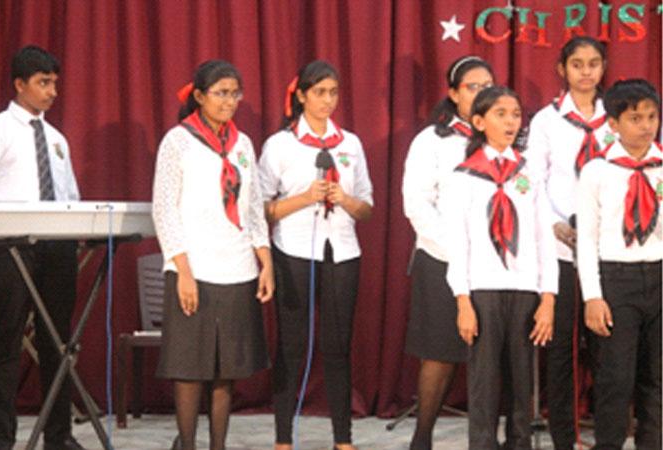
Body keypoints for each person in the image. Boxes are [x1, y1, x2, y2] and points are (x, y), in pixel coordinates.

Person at [0, 45, 84, 450]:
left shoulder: (57, 139)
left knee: (57, 343)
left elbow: (70, 196)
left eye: (55, 84)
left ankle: (59, 436)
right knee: (7, 342)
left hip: (57, 249)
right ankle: (2, 439)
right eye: (43, 83)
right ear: (19, 84)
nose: (52, 92)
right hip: (11, 248)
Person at [151, 59, 274, 450]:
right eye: (221, 93)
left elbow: (252, 206)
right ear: (200, 96)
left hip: (237, 266)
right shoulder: (178, 141)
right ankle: (187, 444)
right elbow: (164, 208)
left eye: (235, 93)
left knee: (227, 371)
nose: (230, 101)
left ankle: (218, 445)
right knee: (190, 369)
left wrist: (264, 260)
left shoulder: (243, 143)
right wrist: (183, 270)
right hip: (195, 267)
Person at [258, 60, 373, 450]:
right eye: (320, 92)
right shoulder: (281, 144)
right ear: (302, 95)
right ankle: (283, 439)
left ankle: (343, 439)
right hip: (293, 251)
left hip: (342, 251)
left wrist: (348, 201)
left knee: (338, 347)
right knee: (291, 346)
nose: (328, 100)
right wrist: (305, 198)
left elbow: (368, 208)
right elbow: (261, 209)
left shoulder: (351, 144)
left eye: (334, 92)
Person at [445, 86, 558, 450]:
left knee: (522, 383)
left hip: (526, 290)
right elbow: (458, 244)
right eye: (500, 114)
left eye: (515, 114)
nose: (511, 122)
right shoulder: (463, 176)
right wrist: (463, 301)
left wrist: (548, 298)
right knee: (484, 382)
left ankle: (519, 444)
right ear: (478, 121)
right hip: (482, 290)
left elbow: (544, 238)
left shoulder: (529, 173)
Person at [401, 55, 494, 450]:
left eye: (487, 85)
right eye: (472, 86)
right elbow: (417, 205)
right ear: (454, 94)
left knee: (489, 355)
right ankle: (422, 439)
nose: (481, 93)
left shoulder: (503, 137)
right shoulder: (431, 141)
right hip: (443, 260)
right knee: (439, 355)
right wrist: (460, 252)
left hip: (493, 266)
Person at [524, 36, 611, 448]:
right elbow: (532, 182)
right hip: (560, 247)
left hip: (609, 248)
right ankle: (564, 437)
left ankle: (608, 432)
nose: (586, 72)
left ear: (603, 67)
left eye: (594, 63)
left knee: (607, 349)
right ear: (562, 69)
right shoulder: (545, 121)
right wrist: (554, 224)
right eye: (577, 64)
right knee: (561, 352)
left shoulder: (619, 118)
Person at [577, 79, 661, 450]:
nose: (646, 125)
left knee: (657, 379)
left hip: (659, 274)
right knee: (615, 379)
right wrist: (593, 296)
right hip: (616, 279)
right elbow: (587, 239)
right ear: (612, 123)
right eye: (635, 118)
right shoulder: (597, 171)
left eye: (652, 116)